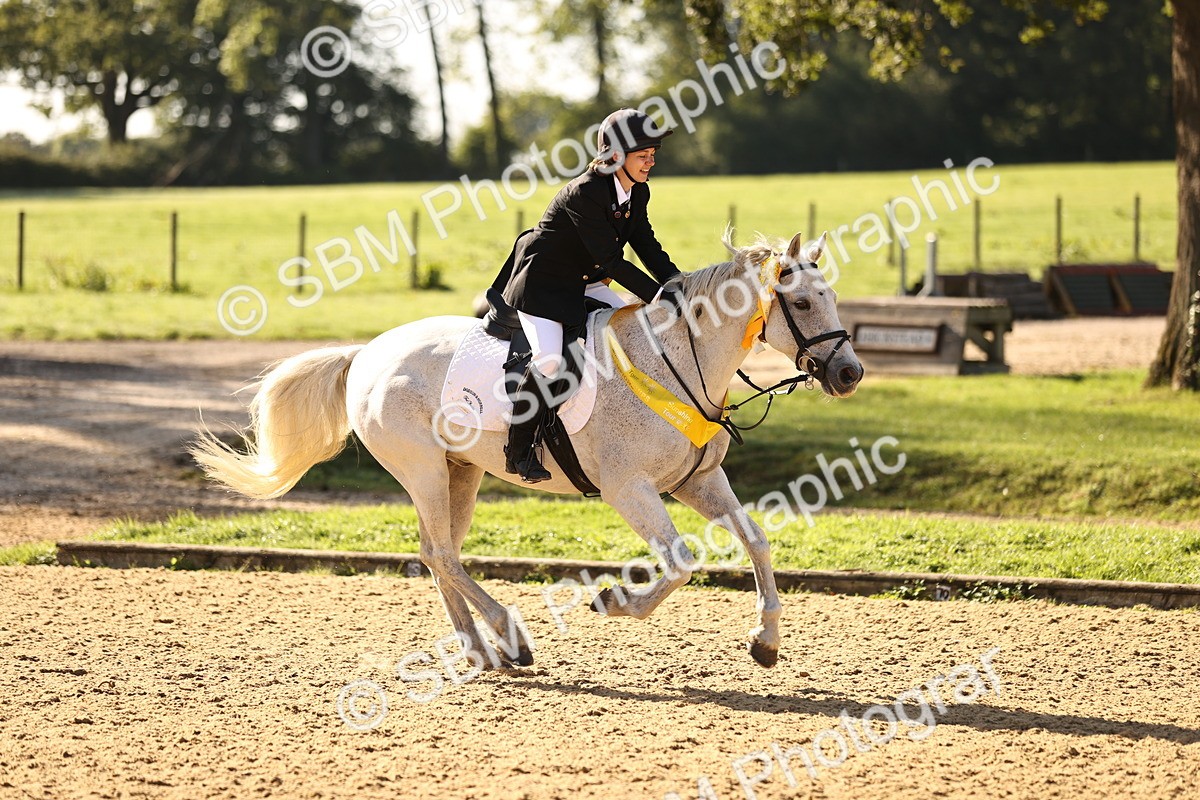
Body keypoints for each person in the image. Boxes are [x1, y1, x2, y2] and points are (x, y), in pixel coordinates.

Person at [490, 108, 685, 483]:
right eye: (643, 154)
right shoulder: (585, 192)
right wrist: (658, 295)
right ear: (615, 155)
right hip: (543, 287)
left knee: (641, 334)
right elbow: (611, 261)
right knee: (549, 361)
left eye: (653, 154)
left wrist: (677, 285)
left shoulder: (637, 191)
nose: (651, 161)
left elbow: (646, 245)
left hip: (587, 282)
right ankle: (518, 450)